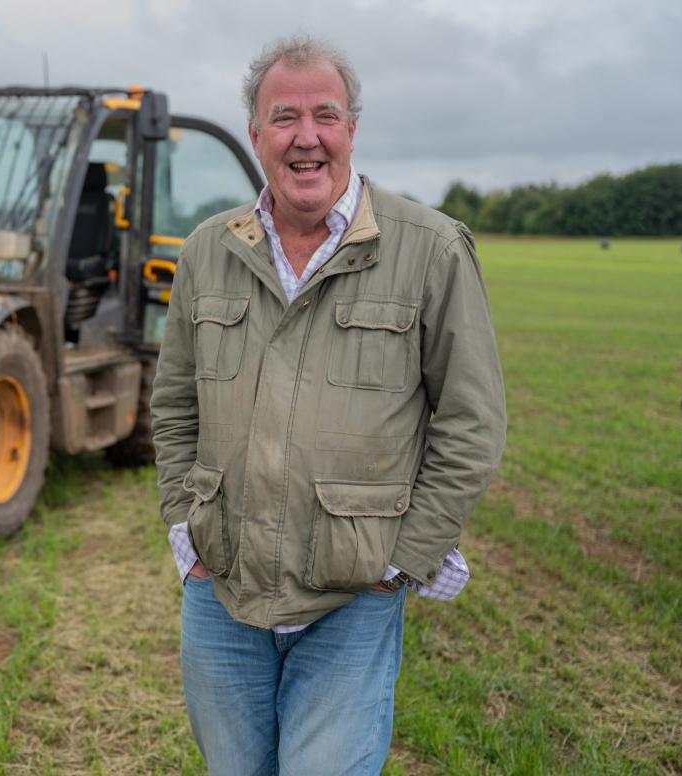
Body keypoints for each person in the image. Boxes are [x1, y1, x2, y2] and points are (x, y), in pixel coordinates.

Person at [151, 36, 506, 775]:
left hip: (351, 596)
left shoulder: (431, 249)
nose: (304, 137)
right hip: (221, 590)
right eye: (283, 117)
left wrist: (401, 562)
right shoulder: (207, 250)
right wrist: (185, 534)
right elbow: (174, 404)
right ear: (254, 136)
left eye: (324, 115)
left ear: (351, 130)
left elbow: (471, 423)